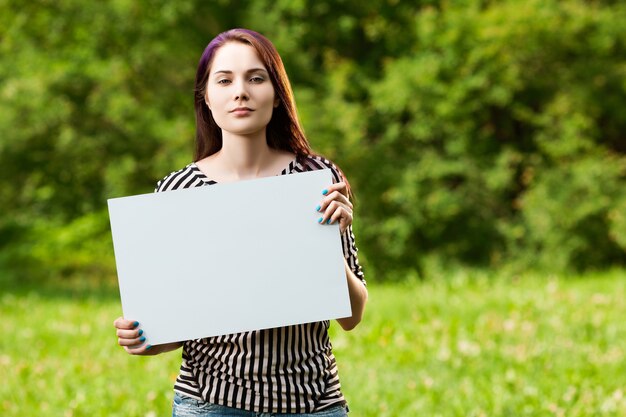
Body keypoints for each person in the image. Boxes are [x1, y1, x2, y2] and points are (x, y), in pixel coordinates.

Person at [113, 28, 367, 417]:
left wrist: (328, 242)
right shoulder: (179, 190)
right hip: (210, 404)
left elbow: (352, 315)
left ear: (278, 95)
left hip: (313, 403)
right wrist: (144, 337)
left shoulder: (315, 178)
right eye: (225, 80)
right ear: (207, 98)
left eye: (256, 78)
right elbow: (173, 324)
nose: (240, 92)